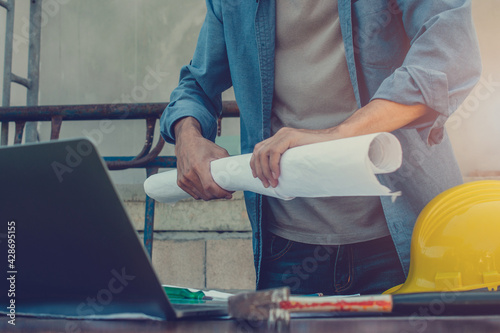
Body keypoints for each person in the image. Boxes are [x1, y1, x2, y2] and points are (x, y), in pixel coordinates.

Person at [160, 0, 481, 295]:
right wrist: (187, 135)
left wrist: (337, 135)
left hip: (406, 241)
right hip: (287, 249)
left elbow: (451, 55)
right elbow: (198, 84)